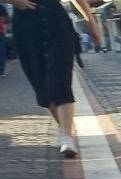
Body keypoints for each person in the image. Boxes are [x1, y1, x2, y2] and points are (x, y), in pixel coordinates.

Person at [10, 0, 99, 158]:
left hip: (57, 24)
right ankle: (65, 132)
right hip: (25, 27)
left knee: (61, 79)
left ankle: (66, 136)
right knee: (42, 85)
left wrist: (90, 22)